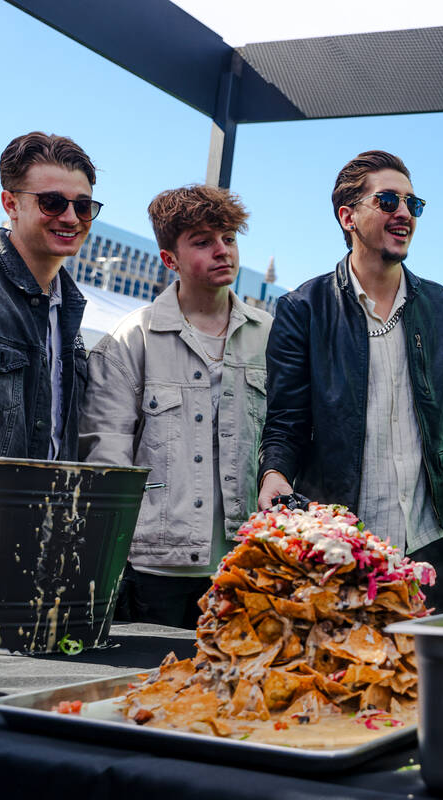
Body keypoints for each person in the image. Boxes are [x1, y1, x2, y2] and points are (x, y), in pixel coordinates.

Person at [257, 150, 443, 613]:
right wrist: (274, 474)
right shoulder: (303, 309)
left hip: (426, 546)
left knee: (421, 682)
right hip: (339, 548)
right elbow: (286, 423)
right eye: (389, 200)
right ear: (347, 216)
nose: (404, 214)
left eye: (413, 205)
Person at [80, 185, 271, 628]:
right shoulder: (132, 339)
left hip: (248, 565)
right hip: (154, 570)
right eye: (203, 242)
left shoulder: (271, 336)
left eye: (229, 238)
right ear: (170, 260)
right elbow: (108, 459)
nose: (223, 251)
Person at [0, 132, 98, 460]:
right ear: (10, 204)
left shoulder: (69, 309)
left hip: (50, 510)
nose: (71, 218)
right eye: (52, 202)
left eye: (83, 205)